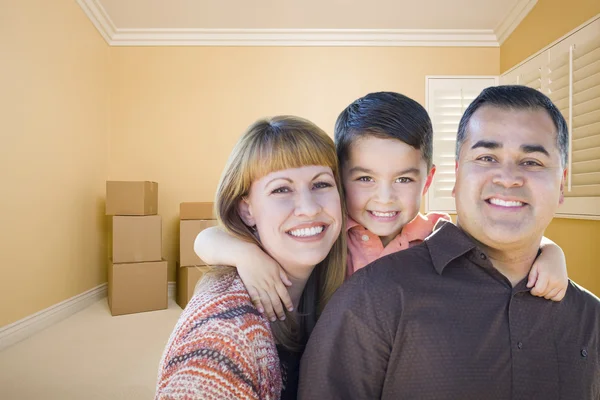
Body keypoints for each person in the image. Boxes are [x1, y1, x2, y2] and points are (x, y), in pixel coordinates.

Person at [298, 85, 600, 399]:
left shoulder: (590, 318)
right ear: (456, 177)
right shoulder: (364, 286)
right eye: (486, 157)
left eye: (532, 162)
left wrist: (551, 250)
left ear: (561, 184)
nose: (508, 178)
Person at [194, 91, 568, 324]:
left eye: (403, 180)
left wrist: (551, 252)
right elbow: (207, 239)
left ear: (428, 179)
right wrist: (246, 256)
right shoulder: (328, 235)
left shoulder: (439, 233)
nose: (385, 199)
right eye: (365, 179)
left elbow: (499, 247)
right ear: (339, 178)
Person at [155, 116, 347, 399]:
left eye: (321, 184)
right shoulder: (225, 334)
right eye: (281, 189)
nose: (308, 208)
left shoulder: (339, 270)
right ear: (247, 210)